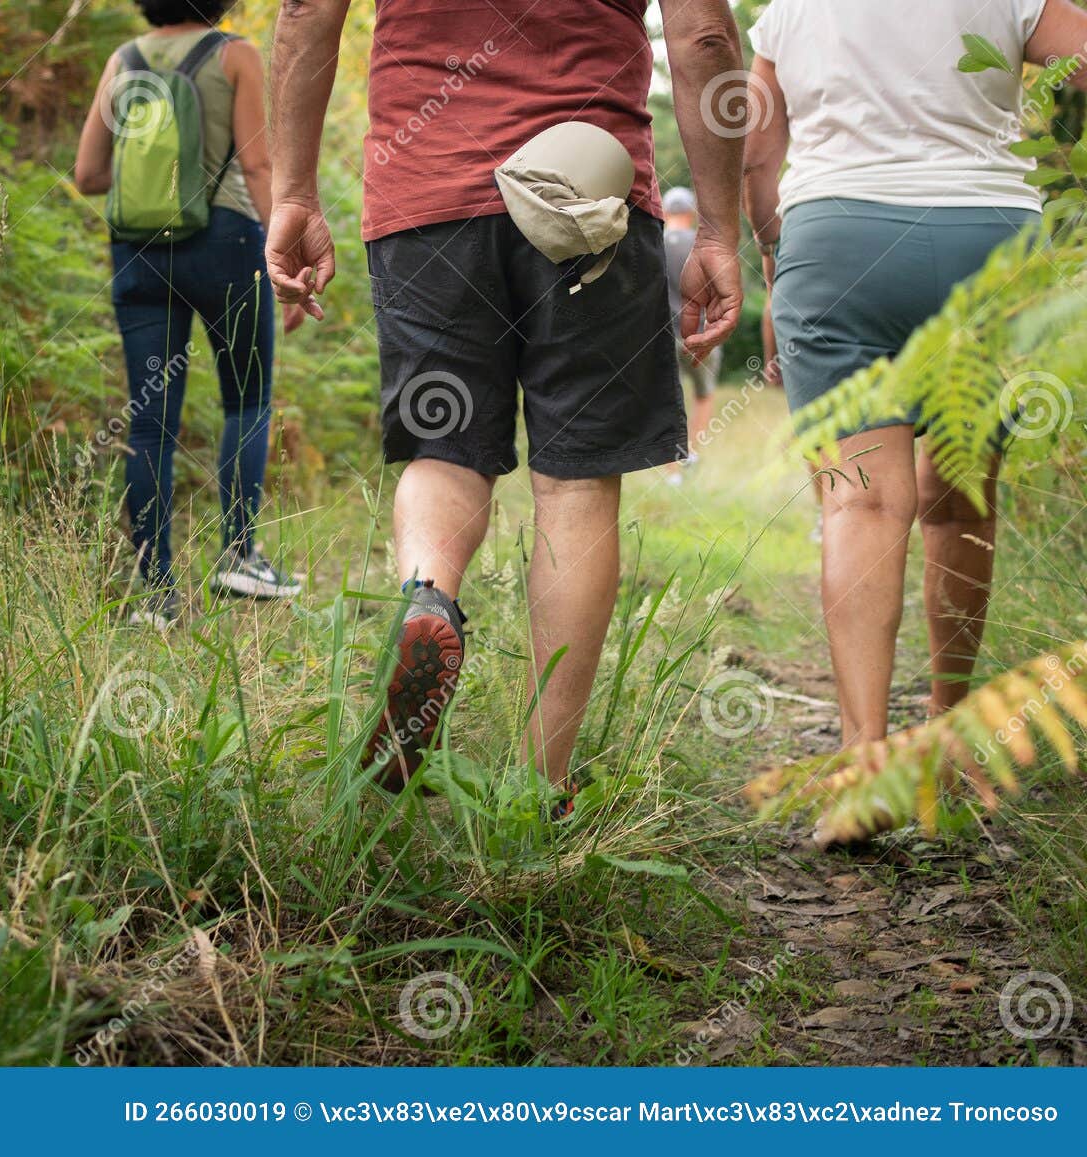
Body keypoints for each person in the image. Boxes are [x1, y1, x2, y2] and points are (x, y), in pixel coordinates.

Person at [267, 0, 745, 805]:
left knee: (444, 453)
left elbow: (309, 9)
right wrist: (720, 233)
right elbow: (702, 36)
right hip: (590, 197)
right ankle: (539, 789)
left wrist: (294, 192)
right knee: (576, 482)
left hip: (430, 196)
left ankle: (430, 598)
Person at [744, 0, 1087, 747]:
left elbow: (760, 155)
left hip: (836, 239)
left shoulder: (787, 11)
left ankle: (864, 756)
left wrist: (779, 254)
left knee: (859, 503)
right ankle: (948, 729)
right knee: (961, 498)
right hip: (990, 240)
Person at [75, 0, 303, 631]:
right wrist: (283, 251)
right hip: (225, 243)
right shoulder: (236, 55)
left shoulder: (123, 61)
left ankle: (157, 595)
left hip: (139, 252)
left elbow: (89, 174)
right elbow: (257, 164)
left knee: (149, 426)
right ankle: (240, 556)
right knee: (247, 400)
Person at [662, 186, 722, 476]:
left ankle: (672, 470)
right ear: (691, 213)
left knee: (670, 397)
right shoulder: (701, 246)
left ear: (664, 212)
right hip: (700, 334)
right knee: (703, 394)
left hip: (662, 335)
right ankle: (691, 452)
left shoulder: (654, 244)